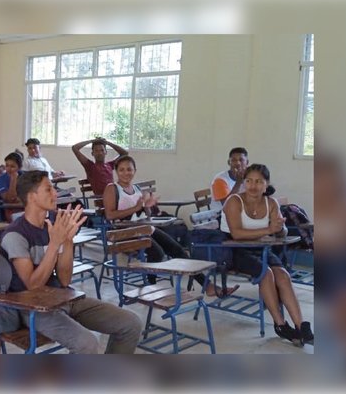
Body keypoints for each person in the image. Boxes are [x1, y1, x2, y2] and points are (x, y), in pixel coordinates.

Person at [0, 171, 143, 353]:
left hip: (62, 297)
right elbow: (33, 286)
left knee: (131, 323)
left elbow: (65, 280)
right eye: (49, 189)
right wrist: (55, 244)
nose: (55, 194)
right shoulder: (15, 235)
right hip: (33, 308)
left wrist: (67, 240)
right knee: (87, 343)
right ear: (32, 196)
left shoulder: (53, 223)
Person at [102, 156, 238, 295]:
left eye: (129, 169)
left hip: (142, 228)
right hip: (123, 233)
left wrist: (147, 207)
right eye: (122, 170)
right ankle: (150, 286)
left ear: (135, 171)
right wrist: (137, 207)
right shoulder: (112, 189)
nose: (126, 173)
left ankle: (207, 286)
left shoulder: (136, 188)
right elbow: (110, 215)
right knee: (157, 252)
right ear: (116, 172)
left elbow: (144, 214)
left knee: (177, 250)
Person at [221, 164, 314, 346]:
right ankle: (280, 324)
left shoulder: (271, 203)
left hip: (261, 248)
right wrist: (269, 229)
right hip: (234, 249)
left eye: (259, 182)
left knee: (283, 275)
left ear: (266, 184)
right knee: (267, 273)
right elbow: (237, 234)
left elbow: (281, 230)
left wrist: (280, 230)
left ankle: (301, 325)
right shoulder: (233, 201)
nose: (253, 186)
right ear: (244, 183)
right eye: (249, 181)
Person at [210, 147, 249, 212]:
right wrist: (238, 182)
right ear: (229, 162)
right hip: (221, 216)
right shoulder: (219, 180)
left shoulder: (249, 178)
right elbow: (227, 205)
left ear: (247, 162)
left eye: (241, 160)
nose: (238, 163)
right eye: (234, 160)